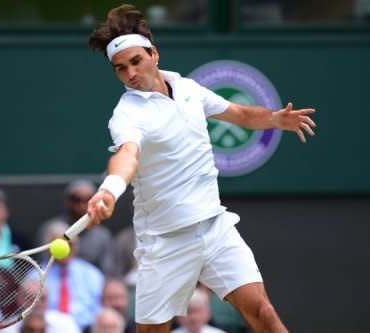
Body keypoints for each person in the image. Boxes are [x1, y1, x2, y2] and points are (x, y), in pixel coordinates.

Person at [85, 4, 316, 333]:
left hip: (214, 228)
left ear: (154, 54)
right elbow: (127, 155)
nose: (131, 73)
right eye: (121, 68)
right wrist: (109, 189)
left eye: (136, 61)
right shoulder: (127, 114)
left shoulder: (189, 89)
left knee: (263, 312)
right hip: (164, 243)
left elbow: (238, 113)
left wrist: (275, 119)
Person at [39, 219, 104, 331]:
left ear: (76, 246)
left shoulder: (93, 274)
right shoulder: (37, 275)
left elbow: (100, 309)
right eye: (60, 244)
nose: (66, 249)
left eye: (70, 244)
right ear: (49, 247)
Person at [40, 179, 114, 275]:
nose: (82, 205)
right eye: (76, 199)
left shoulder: (103, 236)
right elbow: (41, 264)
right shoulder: (49, 229)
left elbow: (108, 272)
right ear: (68, 201)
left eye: (88, 200)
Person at [0, 280, 80, 333]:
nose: (37, 304)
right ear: (20, 300)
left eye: (42, 298)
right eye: (31, 299)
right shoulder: (7, 330)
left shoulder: (66, 323)